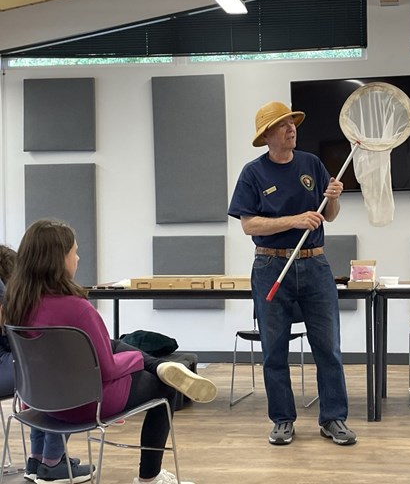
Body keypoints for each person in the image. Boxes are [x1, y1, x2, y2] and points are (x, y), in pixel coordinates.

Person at [0, 220, 218, 484]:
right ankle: (151, 476)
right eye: (74, 252)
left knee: (111, 343)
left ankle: (38, 463)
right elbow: (107, 370)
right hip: (84, 404)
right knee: (165, 386)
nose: (78, 258)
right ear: (59, 259)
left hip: (37, 402)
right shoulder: (78, 309)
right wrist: (136, 358)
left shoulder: (17, 304)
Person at [227, 101, 356, 446]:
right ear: (267, 135)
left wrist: (333, 198)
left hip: (315, 264)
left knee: (328, 347)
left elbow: (329, 215)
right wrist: (294, 220)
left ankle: (333, 419)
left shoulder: (311, 163)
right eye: (282, 125)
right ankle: (282, 419)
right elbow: (249, 224)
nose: (291, 129)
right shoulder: (253, 173)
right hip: (271, 266)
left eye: (292, 123)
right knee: (274, 350)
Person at [0, 244, 95, 484]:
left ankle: (38, 460)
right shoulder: (9, 296)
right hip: (6, 366)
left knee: (45, 373)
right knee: (60, 377)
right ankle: (52, 463)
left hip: (14, 365)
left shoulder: (18, 298)